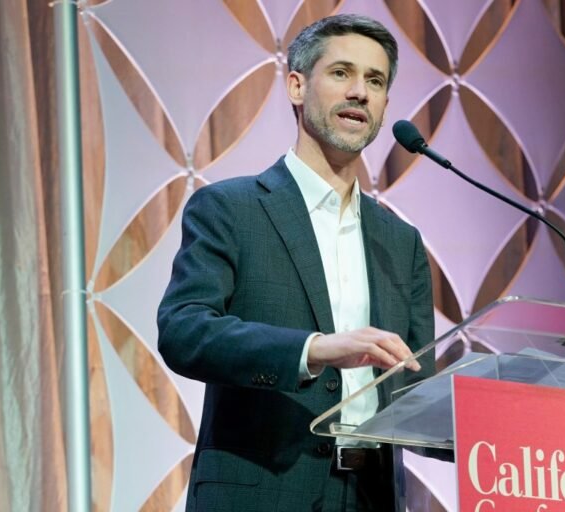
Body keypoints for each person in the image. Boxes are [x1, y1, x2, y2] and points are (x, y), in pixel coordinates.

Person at [158, 13, 434, 512]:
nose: (359, 92)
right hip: (261, 492)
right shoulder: (230, 208)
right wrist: (314, 349)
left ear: (385, 106)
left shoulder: (402, 242)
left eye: (375, 81)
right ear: (296, 86)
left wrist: (508, 420)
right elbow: (184, 331)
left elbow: (416, 387)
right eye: (341, 73)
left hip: (372, 496)